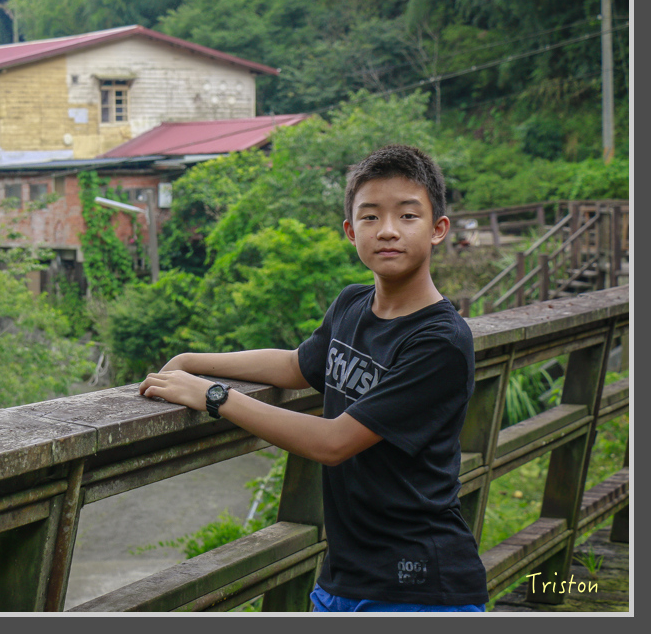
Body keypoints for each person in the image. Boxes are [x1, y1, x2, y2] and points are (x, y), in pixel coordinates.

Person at [139, 144, 488, 612]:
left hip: (419, 586)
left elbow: (332, 442)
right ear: (350, 231)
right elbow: (295, 367)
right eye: (370, 217)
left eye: (407, 216)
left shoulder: (440, 342)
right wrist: (193, 359)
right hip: (342, 578)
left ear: (437, 229)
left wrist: (213, 396)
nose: (387, 231)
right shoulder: (352, 304)